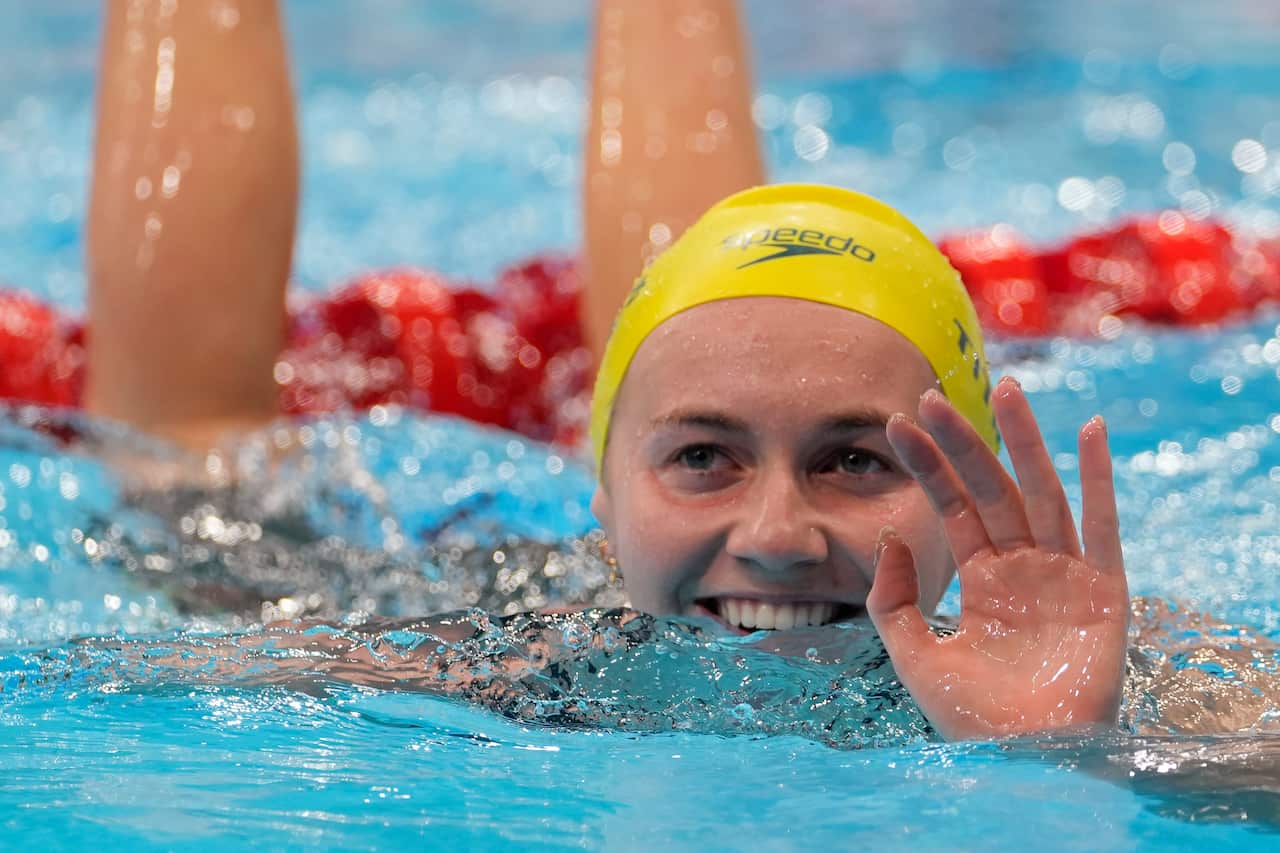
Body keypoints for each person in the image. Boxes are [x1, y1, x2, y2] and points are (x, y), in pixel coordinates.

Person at [76, 0, 1129, 741]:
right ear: (602, 497)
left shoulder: (1074, 652)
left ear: (967, 493)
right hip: (426, 576)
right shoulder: (508, 669)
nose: (773, 542)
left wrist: (1068, 749)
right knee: (188, 464)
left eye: (853, 459)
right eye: (703, 457)